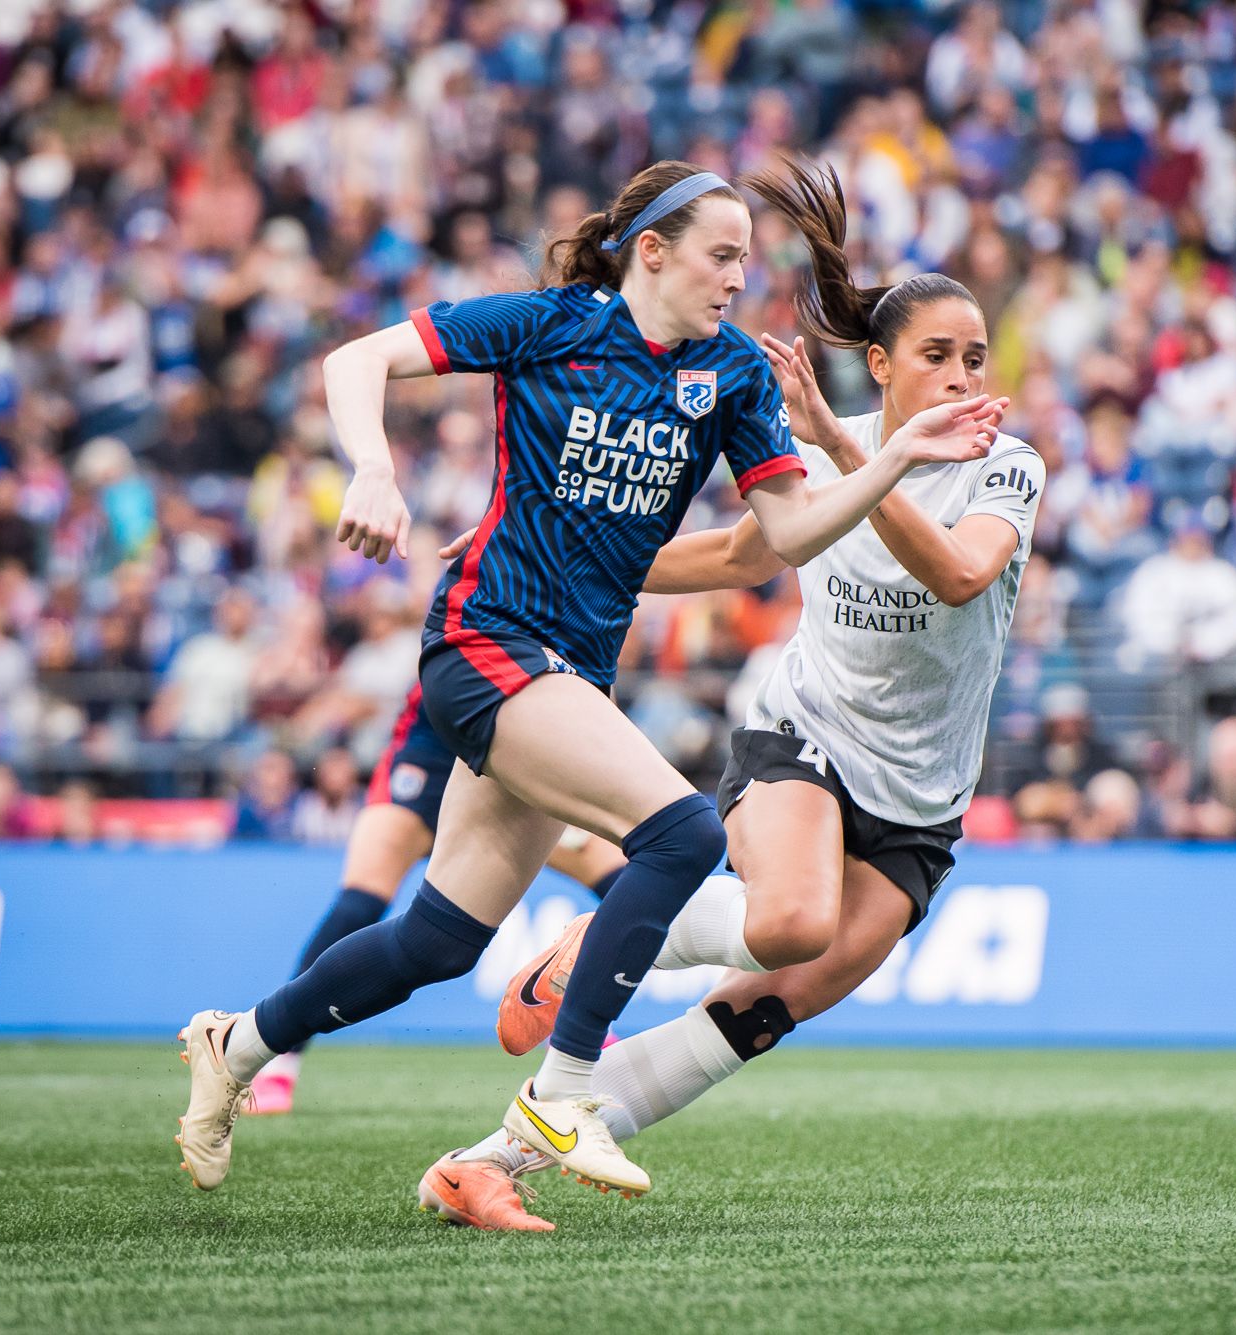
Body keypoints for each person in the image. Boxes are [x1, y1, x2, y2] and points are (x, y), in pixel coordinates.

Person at [173, 160, 1004, 1210]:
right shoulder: (547, 324)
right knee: (684, 836)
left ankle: (236, 1042)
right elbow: (358, 360)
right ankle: (560, 1098)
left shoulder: (733, 375)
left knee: (435, 940)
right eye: (719, 255)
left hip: (570, 672)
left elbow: (779, 539)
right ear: (648, 251)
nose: (735, 278)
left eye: (745, 259)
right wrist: (373, 470)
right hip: (487, 640)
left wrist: (883, 459)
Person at [424, 174, 1045, 1229]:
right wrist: (547, 547)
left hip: (923, 795)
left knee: (764, 1008)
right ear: (882, 367)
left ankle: (484, 1163)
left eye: (973, 359)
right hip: (803, 732)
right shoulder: (813, 451)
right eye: (934, 357)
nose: (958, 377)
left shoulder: (1008, 469)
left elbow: (955, 576)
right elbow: (731, 555)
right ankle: (608, 948)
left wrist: (861, 450)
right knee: (792, 920)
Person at [242, 677, 627, 1117]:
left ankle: (581, 1027)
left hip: (510, 767)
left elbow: (598, 711)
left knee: (625, 884)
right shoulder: (491, 617)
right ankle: (275, 1058)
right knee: (359, 903)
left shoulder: (589, 622)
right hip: (431, 757)